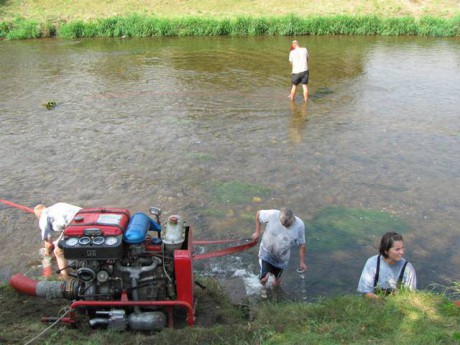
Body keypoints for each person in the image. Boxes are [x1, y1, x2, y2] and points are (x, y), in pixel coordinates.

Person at [252, 208, 307, 298]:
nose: (285, 226)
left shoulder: (299, 225)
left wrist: (302, 261)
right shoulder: (272, 214)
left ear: (293, 219)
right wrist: (257, 232)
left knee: (276, 281)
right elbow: (258, 214)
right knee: (264, 278)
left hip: (281, 258)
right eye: (283, 224)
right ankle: (263, 288)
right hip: (266, 252)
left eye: (288, 225)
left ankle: (275, 295)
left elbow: (302, 244)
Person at [357, 232, 416, 299]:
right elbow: (365, 292)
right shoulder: (372, 263)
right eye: (397, 249)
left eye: (402, 248)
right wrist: (381, 301)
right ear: (386, 251)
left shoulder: (408, 268)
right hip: (374, 303)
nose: (402, 252)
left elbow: (410, 296)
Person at [34, 202, 82, 280]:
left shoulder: (43, 218)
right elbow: (66, 225)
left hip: (75, 225)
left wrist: (47, 252)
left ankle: (64, 276)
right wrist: (56, 243)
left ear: (38, 216)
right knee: (58, 243)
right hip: (84, 217)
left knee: (58, 252)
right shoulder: (57, 205)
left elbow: (48, 243)